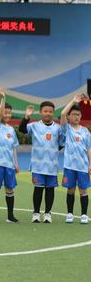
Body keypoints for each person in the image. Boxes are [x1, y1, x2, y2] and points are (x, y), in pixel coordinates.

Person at [19, 101, 64, 223]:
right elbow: (22, 129)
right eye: (45, 111)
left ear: (53, 112)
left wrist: (52, 151)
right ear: (40, 112)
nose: (48, 114)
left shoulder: (58, 128)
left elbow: (61, 144)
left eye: (50, 111)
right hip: (37, 165)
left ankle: (48, 213)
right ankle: (36, 213)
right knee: (38, 189)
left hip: (52, 165)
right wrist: (27, 116)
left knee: (50, 189)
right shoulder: (34, 126)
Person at [0, 88, 20, 224]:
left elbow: (14, 147)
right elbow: (0, 115)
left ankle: (10, 216)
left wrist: (16, 163)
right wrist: (3, 98)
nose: (7, 115)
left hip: (9, 165)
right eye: (5, 112)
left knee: (10, 189)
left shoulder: (11, 130)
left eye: (9, 113)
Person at [60, 94, 91, 224]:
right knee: (71, 190)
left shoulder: (86, 132)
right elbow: (62, 114)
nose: (76, 117)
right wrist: (73, 101)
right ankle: (70, 214)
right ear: (69, 116)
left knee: (83, 191)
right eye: (73, 114)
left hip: (83, 166)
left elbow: (89, 149)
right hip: (69, 167)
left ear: (81, 116)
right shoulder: (67, 129)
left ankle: (84, 215)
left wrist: (90, 164)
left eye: (78, 115)